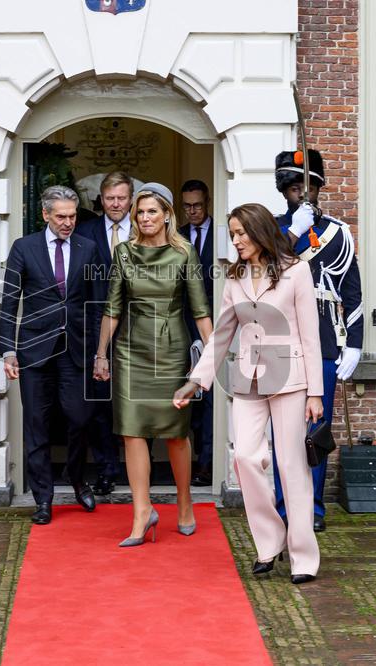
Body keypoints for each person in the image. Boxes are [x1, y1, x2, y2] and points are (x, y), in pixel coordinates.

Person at [174, 203, 323, 584]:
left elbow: (310, 334)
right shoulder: (234, 277)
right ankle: (269, 541)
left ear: (259, 232)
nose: (236, 240)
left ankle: (303, 556)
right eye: (233, 233)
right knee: (243, 456)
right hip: (248, 379)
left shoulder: (297, 271)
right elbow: (221, 334)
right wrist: (197, 380)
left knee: (292, 468)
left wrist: (315, 393)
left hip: (292, 379)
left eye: (241, 233)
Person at [94, 182, 212, 547]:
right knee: (132, 431)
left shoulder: (184, 253)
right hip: (130, 350)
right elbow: (112, 308)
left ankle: (184, 501)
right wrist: (101, 354)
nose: (145, 218)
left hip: (173, 350)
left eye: (152, 212)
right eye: (140, 212)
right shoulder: (124, 253)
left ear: (166, 216)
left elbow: (200, 309)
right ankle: (142, 511)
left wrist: (212, 359)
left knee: (176, 433)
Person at [0, 185, 105, 525]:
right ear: (45, 214)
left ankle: (76, 479)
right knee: (36, 426)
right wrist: (8, 350)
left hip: (76, 349)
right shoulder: (24, 248)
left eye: (72, 216)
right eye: (61, 216)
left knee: (80, 419)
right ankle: (42, 498)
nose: (68, 223)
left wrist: (99, 352)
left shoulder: (88, 248)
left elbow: (97, 303)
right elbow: (9, 301)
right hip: (34, 351)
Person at [272, 149, 363, 532]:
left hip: (324, 340)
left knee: (315, 431)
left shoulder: (338, 233)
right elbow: (266, 272)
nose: (301, 193)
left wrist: (354, 342)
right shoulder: (270, 231)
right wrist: (293, 231)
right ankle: (282, 508)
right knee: (282, 433)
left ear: (318, 188)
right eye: (293, 187)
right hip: (280, 340)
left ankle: (313, 508)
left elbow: (352, 292)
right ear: (284, 191)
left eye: (307, 186)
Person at [73, 171, 135, 495]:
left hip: (139, 330)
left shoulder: (144, 230)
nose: (115, 204)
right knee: (99, 405)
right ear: (102, 199)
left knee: (138, 401)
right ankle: (108, 468)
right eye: (110, 198)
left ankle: (141, 467)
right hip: (95, 327)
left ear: (130, 199)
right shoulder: (84, 232)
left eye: (121, 198)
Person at [178, 179, 215, 487]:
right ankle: (187, 463)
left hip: (214, 326)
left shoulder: (223, 236)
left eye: (197, 205)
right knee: (189, 399)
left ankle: (206, 464)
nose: (192, 211)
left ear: (208, 203)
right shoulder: (175, 236)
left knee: (211, 401)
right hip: (182, 327)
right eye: (187, 205)